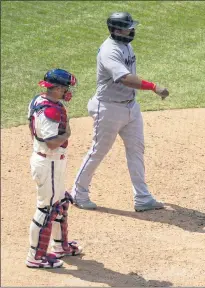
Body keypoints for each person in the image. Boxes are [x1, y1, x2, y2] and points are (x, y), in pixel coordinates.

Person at [71, 12, 169, 212]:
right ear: (116, 30)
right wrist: (153, 87)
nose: (132, 30)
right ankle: (78, 193)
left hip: (130, 106)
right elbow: (124, 78)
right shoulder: (109, 51)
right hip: (109, 108)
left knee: (136, 150)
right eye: (128, 27)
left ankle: (142, 198)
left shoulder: (125, 44)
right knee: (98, 151)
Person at [26, 69, 83, 268]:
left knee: (60, 202)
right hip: (48, 160)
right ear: (57, 88)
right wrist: (67, 134)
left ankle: (60, 246)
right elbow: (51, 142)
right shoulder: (50, 111)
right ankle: (36, 256)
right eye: (65, 87)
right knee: (46, 208)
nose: (68, 91)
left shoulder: (38, 100)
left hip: (51, 161)